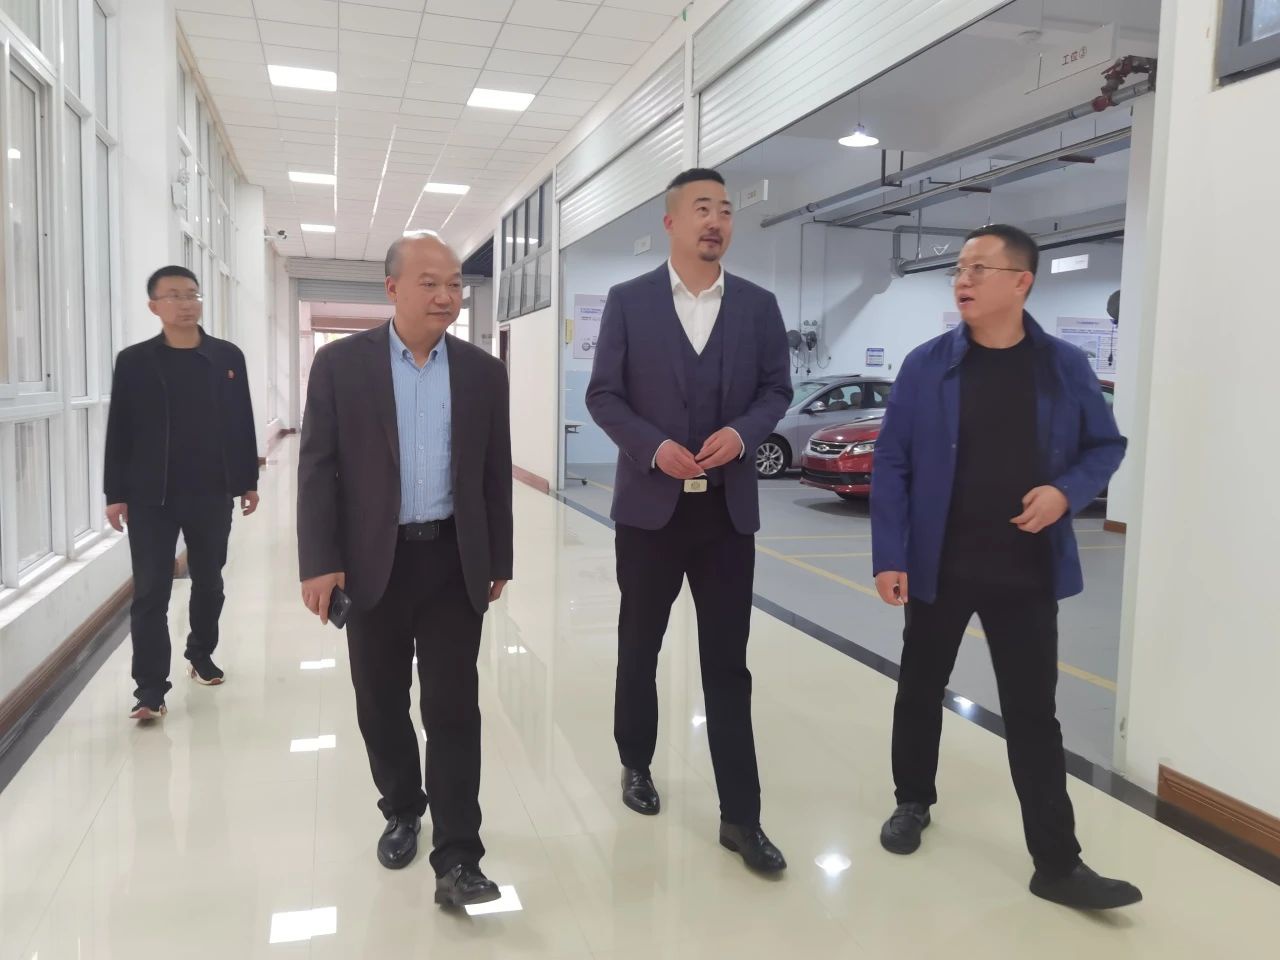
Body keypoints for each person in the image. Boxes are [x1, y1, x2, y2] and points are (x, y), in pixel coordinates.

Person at [870, 224, 1141, 910]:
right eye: (959, 269)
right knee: (919, 688)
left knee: (1033, 714)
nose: (962, 280)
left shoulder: (1063, 367)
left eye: (979, 269)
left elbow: (1105, 445)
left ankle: (1056, 864)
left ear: (1022, 282)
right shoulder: (927, 365)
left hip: (1025, 568)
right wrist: (890, 554)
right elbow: (893, 462)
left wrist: (1066, 493)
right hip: (939, 563)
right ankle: (912, 800)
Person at [296, 233, 513, 909]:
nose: (447, 296)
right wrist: (320, 561)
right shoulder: (340, 365)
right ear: (392, 289)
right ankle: (401, 806)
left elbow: (494, 473)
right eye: (430, 283)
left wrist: (498, 558)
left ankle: (459, 855)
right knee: (380, 701)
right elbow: (317, 468)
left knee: (453, 707)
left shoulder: (482, 372)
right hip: (373, 563)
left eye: (455, 284)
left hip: (452, 559)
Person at [586, 169, 793, 874]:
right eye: (702, 208)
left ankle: (742, 817)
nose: (716, 220)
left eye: (726, 210)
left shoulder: (759, 307)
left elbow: (776, 389)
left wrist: (743, 433)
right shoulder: (629, 301)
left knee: (727, 663)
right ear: (671, 222)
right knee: (639, 645)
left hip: (727, 515)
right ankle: (635, 762)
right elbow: (604, 395)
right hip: (650, 512)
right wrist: (652, 447)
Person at [104, 266, 260, 721]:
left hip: (210, 491)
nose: (186, 303)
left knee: (209, 581)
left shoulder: (226, 357)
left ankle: (200, 653)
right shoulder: (134, 361)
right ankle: (150, 689)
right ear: (154, 306)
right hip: (150, 495)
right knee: (151, 591)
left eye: (192, 294)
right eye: (173, 296)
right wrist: (115, 492)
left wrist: (247, 481)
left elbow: (241, 421)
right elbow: (120, 430)